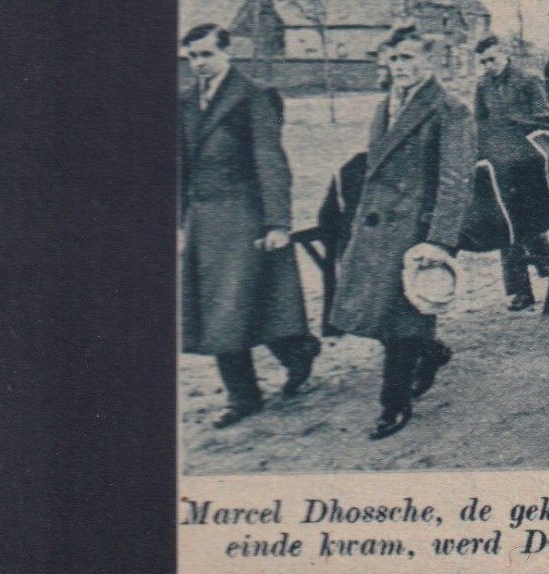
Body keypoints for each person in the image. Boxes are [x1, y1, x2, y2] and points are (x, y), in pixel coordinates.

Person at [330, 26, 475, 440]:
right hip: (377, 225)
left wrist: (439, 241)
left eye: (409, 58)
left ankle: (393, 404)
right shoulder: (385, 106)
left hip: (417, 232)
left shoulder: (450, 109)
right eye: (394, 59)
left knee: (399, 318)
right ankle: (431, 352)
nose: (401, 67)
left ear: (429, 60)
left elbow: (455, 182)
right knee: (382, 312)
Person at [180, 24, 320, 429]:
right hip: (203, 221)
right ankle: (247, 391)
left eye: (207, 54)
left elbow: (271, 162)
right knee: (220, 309)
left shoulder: (253, 95)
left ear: (228, 52)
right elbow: (178, 168)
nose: (199, 63)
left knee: (243, 303)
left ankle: (291, 358)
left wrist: (278, 223)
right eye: (193, 56)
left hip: (245, 215)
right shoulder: (186, 101)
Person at [474, 35, 549, 312]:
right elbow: (479, 124)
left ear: (505, 54)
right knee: (506, 225)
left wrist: (521, 130)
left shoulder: (528, 80)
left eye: (491, 59)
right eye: (483, 61)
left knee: (529, 222)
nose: (487, 66)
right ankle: (520, 291)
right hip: (499, 166)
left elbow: (544, 117)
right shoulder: (482, 85)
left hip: (527, 163)